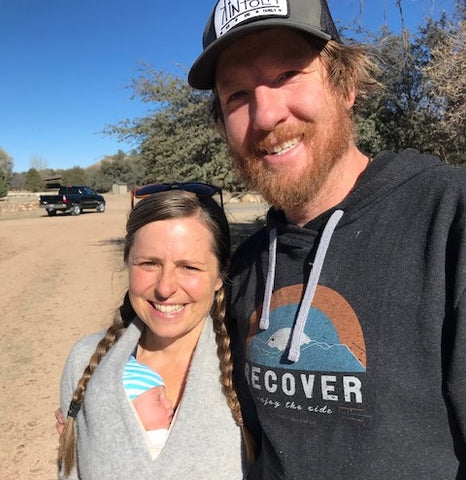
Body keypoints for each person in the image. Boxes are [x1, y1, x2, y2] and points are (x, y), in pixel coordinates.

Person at [188, 0, 466, 478]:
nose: (265, 114)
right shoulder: (249, 264)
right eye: (236, 95)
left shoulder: (449, 217)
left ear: (346, 85)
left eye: (288, 74)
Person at [57, 186, 254, 479]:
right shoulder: (85, 362)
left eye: (189, 267)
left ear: (219, 275)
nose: (164, 288)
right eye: (149, 263)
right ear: (127, 262)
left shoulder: (253, 371)